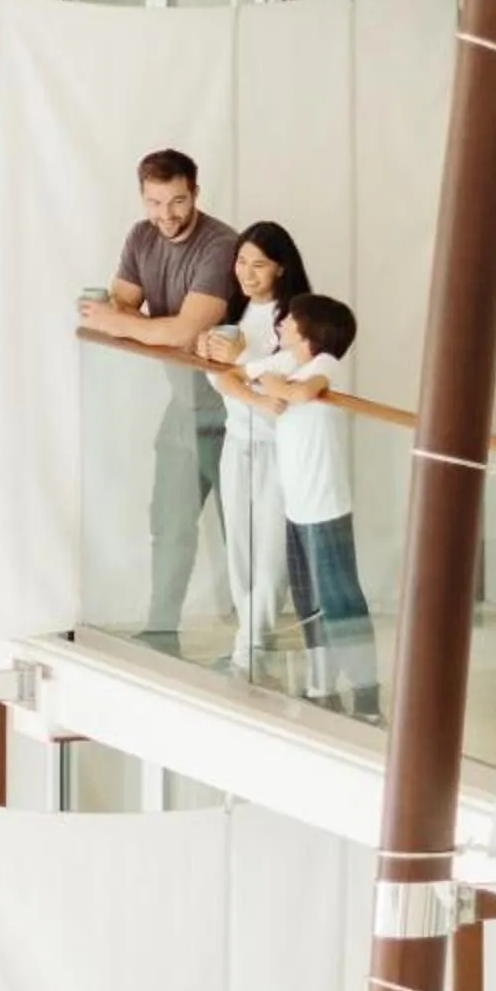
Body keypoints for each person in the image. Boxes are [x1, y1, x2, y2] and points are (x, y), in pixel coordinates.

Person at [77, 149, 240, 652]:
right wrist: (140, 325)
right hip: (181, 408)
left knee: (248, 536)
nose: (166, 215)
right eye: (154, 202)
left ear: (195, 192)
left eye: (177, 201)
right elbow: (118, 307)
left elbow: (184, 331)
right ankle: (162, 630)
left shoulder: (221, 245)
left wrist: (132, 324)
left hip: (235, 411)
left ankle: (259, 643)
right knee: (169, 524)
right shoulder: (140, 236)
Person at [214, 292, 378, 720]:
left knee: (341, 600)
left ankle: (367, 696)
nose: (281, 324)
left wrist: (269, 386)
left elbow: (304, 394)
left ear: (311, 331)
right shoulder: (286, 362)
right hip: (296, 504)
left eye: (290, 321)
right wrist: (262, 398)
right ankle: (320, 684)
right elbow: (226, 377)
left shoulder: (323, 363)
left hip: (325, 504)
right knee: (308, 599)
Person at [195, 222, 311, 677]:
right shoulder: (236, 314)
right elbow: (219, 375)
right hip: (237, 441)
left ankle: (253, 642)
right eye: (242, 262)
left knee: (270, 548)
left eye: (259, 264)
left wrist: (239, 367)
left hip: (279, 447)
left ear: (281, 267)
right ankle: (248, 638)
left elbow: (284, 384)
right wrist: (235, 371)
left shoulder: (295, 319)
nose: (247, 272)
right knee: (240, 544)